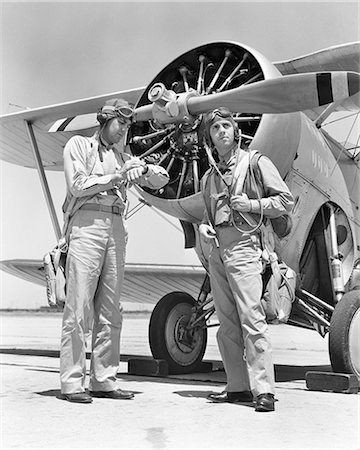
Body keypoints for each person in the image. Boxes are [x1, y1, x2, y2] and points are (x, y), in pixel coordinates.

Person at [60, 98, 169, 403]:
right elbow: (78, 185)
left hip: (116, 228)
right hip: (87, 223)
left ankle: (104, 379)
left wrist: (144, 167)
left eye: (128, 125)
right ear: (105, 120)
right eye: (121, 123)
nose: (124, 130)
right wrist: (118, 177)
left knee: (110, 309)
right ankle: (71, 383)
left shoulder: (124, 157)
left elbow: (163, 179)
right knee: (79, 306)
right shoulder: (78, 145)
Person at [199, 107, 294, 412]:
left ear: (236, 131)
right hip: (218, 250)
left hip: (245, 246)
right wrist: (204, 225)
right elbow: (209, 213)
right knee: (226, 323)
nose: (222, 131)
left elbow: (284, 201)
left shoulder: (255, 162)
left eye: (227, 125)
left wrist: (252, 204)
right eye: (216, 129)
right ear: (210, 137)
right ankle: (237, 386)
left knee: (251, 318)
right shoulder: (209, 177)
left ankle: (263, 389)